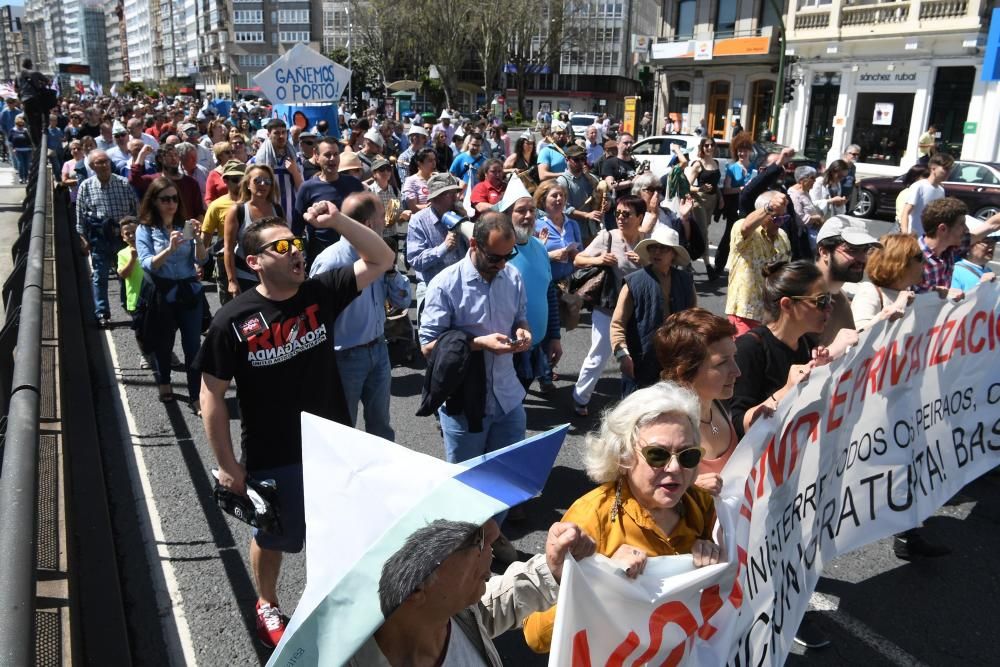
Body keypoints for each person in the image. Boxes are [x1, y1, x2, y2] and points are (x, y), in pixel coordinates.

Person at [196, 204, 395, 649]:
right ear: (255, 262)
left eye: (297, 244)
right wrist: (227, 464)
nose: (295, 253)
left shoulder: (319, 293)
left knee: (337, 530)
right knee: (274, 535)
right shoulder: (233, 320)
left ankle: (329, 602)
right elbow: (210, 394)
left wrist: (338, 223)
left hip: (332, 444)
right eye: (281, 247)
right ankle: (266, 601)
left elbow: (382, 259)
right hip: (273, 451)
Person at [521, 382, 722, 653]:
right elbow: (536, 636)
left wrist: (713, 559)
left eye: (688, 455)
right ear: (624, 456)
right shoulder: (590, 517)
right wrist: (602, 583)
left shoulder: (701, 503)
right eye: (657, 455)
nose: (675, 468)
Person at [348, 519, 596, 666]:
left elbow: (484, 612)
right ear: (415, 585)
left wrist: (550, 570)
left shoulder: (449, 615)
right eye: (475, 538)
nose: (495, 535)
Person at [419, 212, 530, 464]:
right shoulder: (445, 285)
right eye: (494, 258)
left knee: (508, 474)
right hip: (464, 404)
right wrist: (478, 344)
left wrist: (523, 329)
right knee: (466, 484)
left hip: (508, 399)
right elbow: (428, 347)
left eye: (508, 256)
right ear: (473, 245)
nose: (502, 264)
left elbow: (520, 317)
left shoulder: (512, 277)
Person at [309, 192, 410, 441]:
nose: (385, 223)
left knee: (381, 427)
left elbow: (403, 299)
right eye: (381, 218)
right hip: (344, 358)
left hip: (378, 350)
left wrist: (391, 270)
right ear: (368, 225)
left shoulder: (380, 256)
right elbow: (315, 316)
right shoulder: (331, 261)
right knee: (343, 429)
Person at [729, 260, 832, 439]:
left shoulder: (807, 343)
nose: (829, 307)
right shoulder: (750, 348)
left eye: (829, 298)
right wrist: (786, 390)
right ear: (787, 305)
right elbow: (737, 425)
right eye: (821, 301)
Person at [135, 177, 208, 410]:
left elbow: (201, 259)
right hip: (163, 294)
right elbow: (148, 264)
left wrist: (198, 239)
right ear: (154, 201)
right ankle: (164, 381)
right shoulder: (145, 229)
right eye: (165, 199)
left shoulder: (183, 226)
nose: (171, 203)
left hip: (189, 292)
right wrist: (169, 249)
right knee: (163, 343)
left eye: (174, 198)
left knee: (192, 345)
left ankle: (196, 395)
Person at [571, 194, 647, 416]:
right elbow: (578, 259)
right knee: (599, 355)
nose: (621, 218)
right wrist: (599, 260)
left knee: (638, 356)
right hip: (608, 308)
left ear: (640, 217)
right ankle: (580, 397)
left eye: (627, 214)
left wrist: (644, 262)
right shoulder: (607, 237)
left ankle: (633, 401)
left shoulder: (646, 241)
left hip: (637, 310)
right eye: (618, 214)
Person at [655, 309, 741, 495]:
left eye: (734, 357)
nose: (737, 371)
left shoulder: (718, 401)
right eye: (721, 363)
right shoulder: (662, 427)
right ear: (684, 371)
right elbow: (639, 496)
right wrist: (689, 490)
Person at [611, 224, 696, 395]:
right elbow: (617, 323)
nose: (657, 252)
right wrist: (622, 355)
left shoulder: (686, 281)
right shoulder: (633, 282)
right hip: (641, 362)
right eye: (653, 248)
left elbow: (694, 320)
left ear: (673, 254)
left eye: (663, 248)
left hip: (676, 360)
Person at [500, 180, 560, 397]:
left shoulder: (540, 248)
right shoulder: (498, 252)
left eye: (531, 210)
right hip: (506, 351)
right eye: (520, 211)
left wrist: (554, 337)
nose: (527, 216)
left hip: (536, 346)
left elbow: (549, 294)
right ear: (507, 215)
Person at [76, 149, 139, 327]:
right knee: (100, 276)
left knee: (126, 274)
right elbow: (80, 217)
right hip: (99, 237)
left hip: (122, 236)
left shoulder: (123, 183)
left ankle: (129, 306)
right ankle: (102, 313)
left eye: (106, 162)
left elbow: (136, 210)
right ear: (91, 166)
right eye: (99, 163)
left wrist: (135, 234)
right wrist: (84, 240)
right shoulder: (86, 187)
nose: (104, 165)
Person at [724, 192, 792, 336]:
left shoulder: (783, 237)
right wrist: (770, 207)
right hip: (746, 312)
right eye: (776, 218)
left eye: (784, 218)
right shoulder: (744, 228)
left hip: (772, 314)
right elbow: (745, 227)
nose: (780, 223)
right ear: (763, 214)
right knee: (743, 355)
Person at [534, 181, 581, 391]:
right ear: (543, 200)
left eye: (561, 196)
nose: (559, 200)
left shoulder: (572, 225)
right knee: (546, 330)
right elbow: (531, 255)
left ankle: (544, 365)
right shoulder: (536, 225)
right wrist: (551, 255)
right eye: (554, 196)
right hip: (545, 284)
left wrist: (576, 255)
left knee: (558, 327)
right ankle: (544, 373)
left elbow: (580, 255)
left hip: (568, 285)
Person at [406, 172, 468, 320]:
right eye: (449, 194)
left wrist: (466, 221)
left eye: (455, 193)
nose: (455, 198)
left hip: (462, 288)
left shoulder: (459, 216)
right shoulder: (418, 221)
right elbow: (415, 261)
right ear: (435, 198)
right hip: (432, 289)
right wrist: (443, 248)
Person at [293, 136, 366, 260]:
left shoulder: (354, 184)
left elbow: (366, 219)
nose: (333, 159)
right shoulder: (308, 188)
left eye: (336, 154)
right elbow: (296, 229)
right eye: (327, 155)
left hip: (353, 255)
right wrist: (298, 255)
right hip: (320, 256)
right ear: (316, 156)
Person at [914, 198, 1000, 295]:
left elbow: (991, 225)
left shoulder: (950, 248)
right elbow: (898, 299)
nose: (966, 229)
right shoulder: (910, 258)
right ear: (943, 229)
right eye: (962, 224)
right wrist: (940, 292)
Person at [223, 165, 284, 299]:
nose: (263, 184)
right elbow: (228, 248)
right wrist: (232, 280)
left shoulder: (277, 209)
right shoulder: (237, 211)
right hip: (245, 276)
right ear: (248, 184)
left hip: (273, 276)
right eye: (257, 180)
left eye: (267, 181)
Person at [850, 233, 923, 332]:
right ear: (900, 262)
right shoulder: (870, 292)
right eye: (919, 257)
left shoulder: (908, 293)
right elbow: (858, 335)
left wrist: (938, 300)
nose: (925, 262)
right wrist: (891, 311)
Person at [202, 161, 245, 304]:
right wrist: (198, 263)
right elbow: (206, 238)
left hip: (249, 260)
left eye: (243, 179)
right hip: (225, 262)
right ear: (225, 180)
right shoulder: (216, 206)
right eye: (235, 180)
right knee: (228, 306)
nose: (240, 184)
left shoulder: (254, 202)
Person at [116, 217, 152, 368]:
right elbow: (123, 274)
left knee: (161, 328)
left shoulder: (149, 247)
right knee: (141, 331)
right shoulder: (122, 254)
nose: (131, 236)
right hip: (135, 298)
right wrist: (132, 259)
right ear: (123, 237)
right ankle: (145, 355)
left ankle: (168, 354)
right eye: (127, 233)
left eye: (134, 232)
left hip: (152, 295)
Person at [251, 119, 303, 226]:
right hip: (266, 212)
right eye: (277, 133)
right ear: (268, 134)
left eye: (284, 132)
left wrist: (294, 172)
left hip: (292, 214)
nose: (281, 136)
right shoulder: (257, 160)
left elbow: (302, 188)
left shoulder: (294, 158)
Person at [717, 134, 755, 275]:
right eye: (739, 150)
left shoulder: (754, 168)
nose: (742, 153)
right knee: (729, 235)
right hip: (734, 206)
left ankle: (744, 266)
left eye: (745, 150)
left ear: (750, 151)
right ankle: (718, 265)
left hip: (750, 207)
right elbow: (726, 190)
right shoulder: (732, 168)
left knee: (749, 236)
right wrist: (740, 189)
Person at [685, 137, 722, 271]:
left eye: (712, 145)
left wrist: (720, 198)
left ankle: (686, 259)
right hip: (699, 200)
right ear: (702, 148)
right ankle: (708, 265)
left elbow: (716, 185)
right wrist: (700, 188)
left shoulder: (716, 163)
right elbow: (687, 186)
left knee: (701, 232)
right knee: (704, 232)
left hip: (711, 201)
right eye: (706, 145)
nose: (709, 148)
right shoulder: (698, 164)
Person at [557, 144, 603, 245]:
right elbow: (565, 209)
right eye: (576, 159)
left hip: (591, 230)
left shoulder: (589, 178)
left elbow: (601, 193)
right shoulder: (562, 181)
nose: (580, 163)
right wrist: (586, 215)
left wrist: (605, 204)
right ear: (567, 159)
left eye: (583, 159)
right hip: (572, 231)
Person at [899, 152, 952, 235]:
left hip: (929, 238)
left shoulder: (941, 190)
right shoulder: (919, 186)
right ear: (933, 168)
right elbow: (906, 212)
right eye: (945, 169)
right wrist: (905, 235)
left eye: (949, 169)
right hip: (914, 237)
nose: (948, 172)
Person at [737, 147, 797, 217]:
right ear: (762, 170)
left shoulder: (783, 191)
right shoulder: (751, 192)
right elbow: (749, 191)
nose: (782, 170)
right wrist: (778, 164)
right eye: (778, 166)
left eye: (784, 166)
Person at [785, 165, 823, 260]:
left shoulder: (805, 192)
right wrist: (817, 218)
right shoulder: (794, 195)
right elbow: (800, 220)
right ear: (802, 179)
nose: (814, 181)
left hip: (810, 234)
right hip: (802, 237)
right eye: (812, 178)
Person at [14, 58, 52, 147]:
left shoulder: (18, 75)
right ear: (31, 65)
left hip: (25, 101)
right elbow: (48, 81)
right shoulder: (35, 73)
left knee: (31, 124)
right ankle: (45, 129)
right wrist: (40, 85)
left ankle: (36, 144)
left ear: (22, 66)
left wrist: (23, 91)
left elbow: (16, 89)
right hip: (36, 99)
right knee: (43, 113)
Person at [401, 147, 437, 212]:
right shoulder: (411, 181)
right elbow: (413, 208)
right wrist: (433, 206)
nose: (434, 163)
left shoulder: (437, 177)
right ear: (420, 163)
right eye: (430, 161)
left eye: (434, 160)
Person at [203, 141, 235, 206]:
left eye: (232, 151)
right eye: (227, 152)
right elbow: (208, 199)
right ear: (220, 156)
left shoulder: (241, 169)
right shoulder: (213, 174)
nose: (231, 154)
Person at [8, 115, 31, 184]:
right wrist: (13, 148)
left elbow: (30, 140)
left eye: (22, 125)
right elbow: (10, 140)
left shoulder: (26, 131)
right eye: (19, 125)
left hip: (27, 149)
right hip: (18, 150)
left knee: (26, 164)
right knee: (21, 164)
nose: (21, 127)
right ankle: (21, 177)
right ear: (16, 124)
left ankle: (26, 177)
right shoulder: (13, 130)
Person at [839, 144, 862, 209]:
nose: (856, 156)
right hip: (837, 198)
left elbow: (850, 180)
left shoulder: (853, 167)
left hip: (847, 199)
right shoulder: (839, 165)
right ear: (846, 153)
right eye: (854, 154)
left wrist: (856, 183)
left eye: (858, 155)